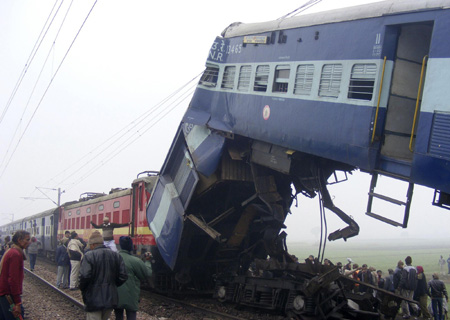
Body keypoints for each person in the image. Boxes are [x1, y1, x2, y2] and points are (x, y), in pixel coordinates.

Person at [79, 231, 128, 320]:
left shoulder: (89, 256)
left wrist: (83, 289)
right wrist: (112, 285)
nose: (90, 247)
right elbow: (123, 275)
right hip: (110, 298)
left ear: (93, 244)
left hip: (93, 298)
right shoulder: (116, 255)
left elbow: (84, 276)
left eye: (90, 245)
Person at [114, 236, 152, 320]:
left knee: (118, 316)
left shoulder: (113, 258)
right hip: (131, 296)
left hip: (116, 296)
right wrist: (148, 261)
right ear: (131, 247)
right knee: (131, 316)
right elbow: (146, 274)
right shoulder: (135, 261)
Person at [0, 230, 31, 320]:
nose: (29, 242)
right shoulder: (16, 254)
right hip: (8, 295)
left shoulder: (11, 251)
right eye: (27, 239)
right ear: (19, 240)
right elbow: (13, 280)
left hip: (3, 294)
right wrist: (17, 302)